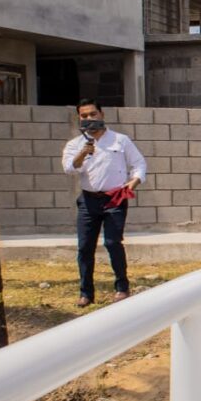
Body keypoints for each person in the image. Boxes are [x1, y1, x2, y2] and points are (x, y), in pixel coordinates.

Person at [61, 99, 146, 308]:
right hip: (88, 201)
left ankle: (122, 287)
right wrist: (83, 152)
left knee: (112, 243)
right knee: (84, 247)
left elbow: (139, 164)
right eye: (84, 116)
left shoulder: (120, 140)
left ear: (102, 114)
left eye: (93, 114)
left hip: (115, 199)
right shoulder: (75, 145)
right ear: (79, 118)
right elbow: (70, 169)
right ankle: (86, 293)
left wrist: (133, 183)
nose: (89, 119)